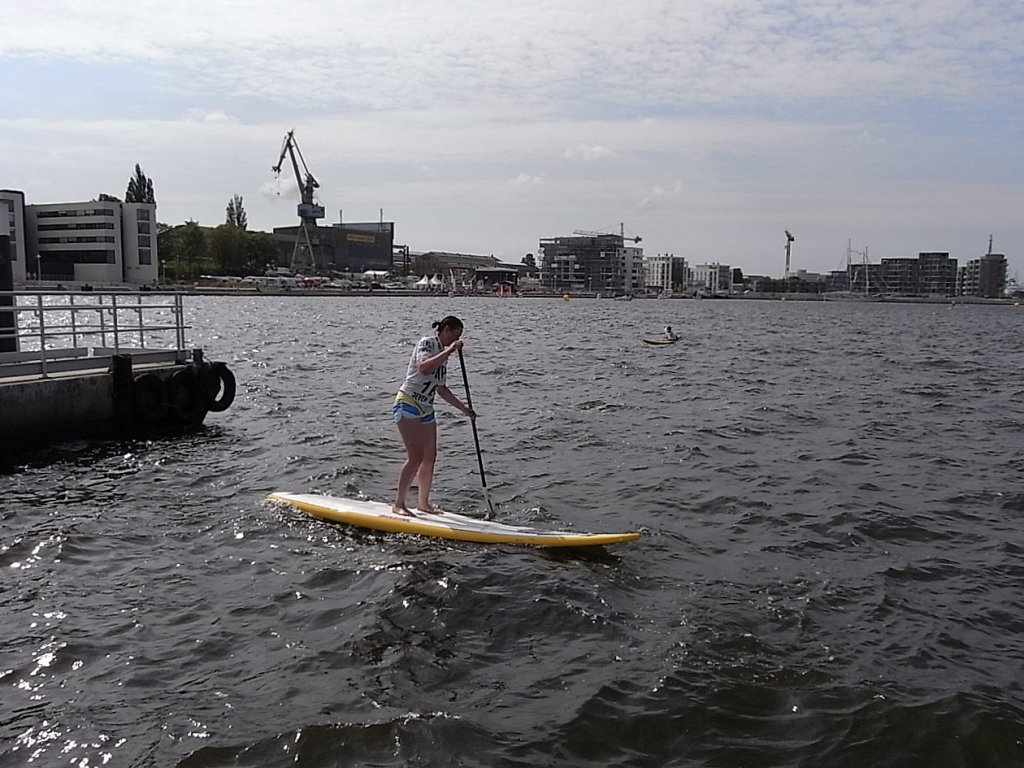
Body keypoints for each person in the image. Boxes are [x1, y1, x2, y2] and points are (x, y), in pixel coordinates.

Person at [392, 315, 476, 515]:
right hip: (408, 402)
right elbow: (423, 367)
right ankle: (399, 504)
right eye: (455, 335)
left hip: (427, 407)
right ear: (445, 330)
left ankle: (423, 504)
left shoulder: (444, 358)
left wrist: (464, 409)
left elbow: (441, 389)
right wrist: (449, 351)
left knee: (430, 456)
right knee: (416, 456)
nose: (456, 340)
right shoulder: (427, 343)